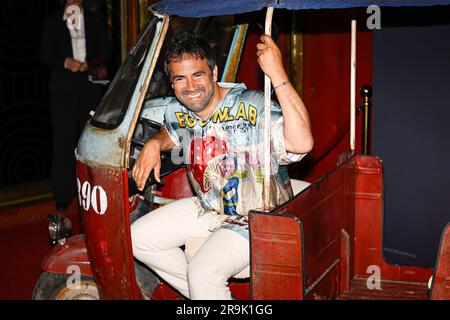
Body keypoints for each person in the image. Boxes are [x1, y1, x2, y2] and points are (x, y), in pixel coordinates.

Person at [131, 31, 313, 300]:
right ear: (172, 84)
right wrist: (155, 143)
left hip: (258, 214)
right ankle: (205, 296)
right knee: (138, 238)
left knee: (202, 273)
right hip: (209, 206)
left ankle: (205, 291)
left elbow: (302, 143)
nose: (190, 86)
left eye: (198, 75)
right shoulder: (177, 109)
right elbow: (171, 131)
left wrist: (278, 76)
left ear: (214, 72)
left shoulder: (250, 105)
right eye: (180, 78)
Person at [40, 0, 108, 211]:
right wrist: (65, 62)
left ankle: (93, 191)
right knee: (63, 142)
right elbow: (44, 55)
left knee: (90, 141)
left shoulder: (94, 19)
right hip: (62, 90)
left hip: (90, 87)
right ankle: (63, 194)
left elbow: (106, 52)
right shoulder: (52, 22)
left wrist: (92, 64)